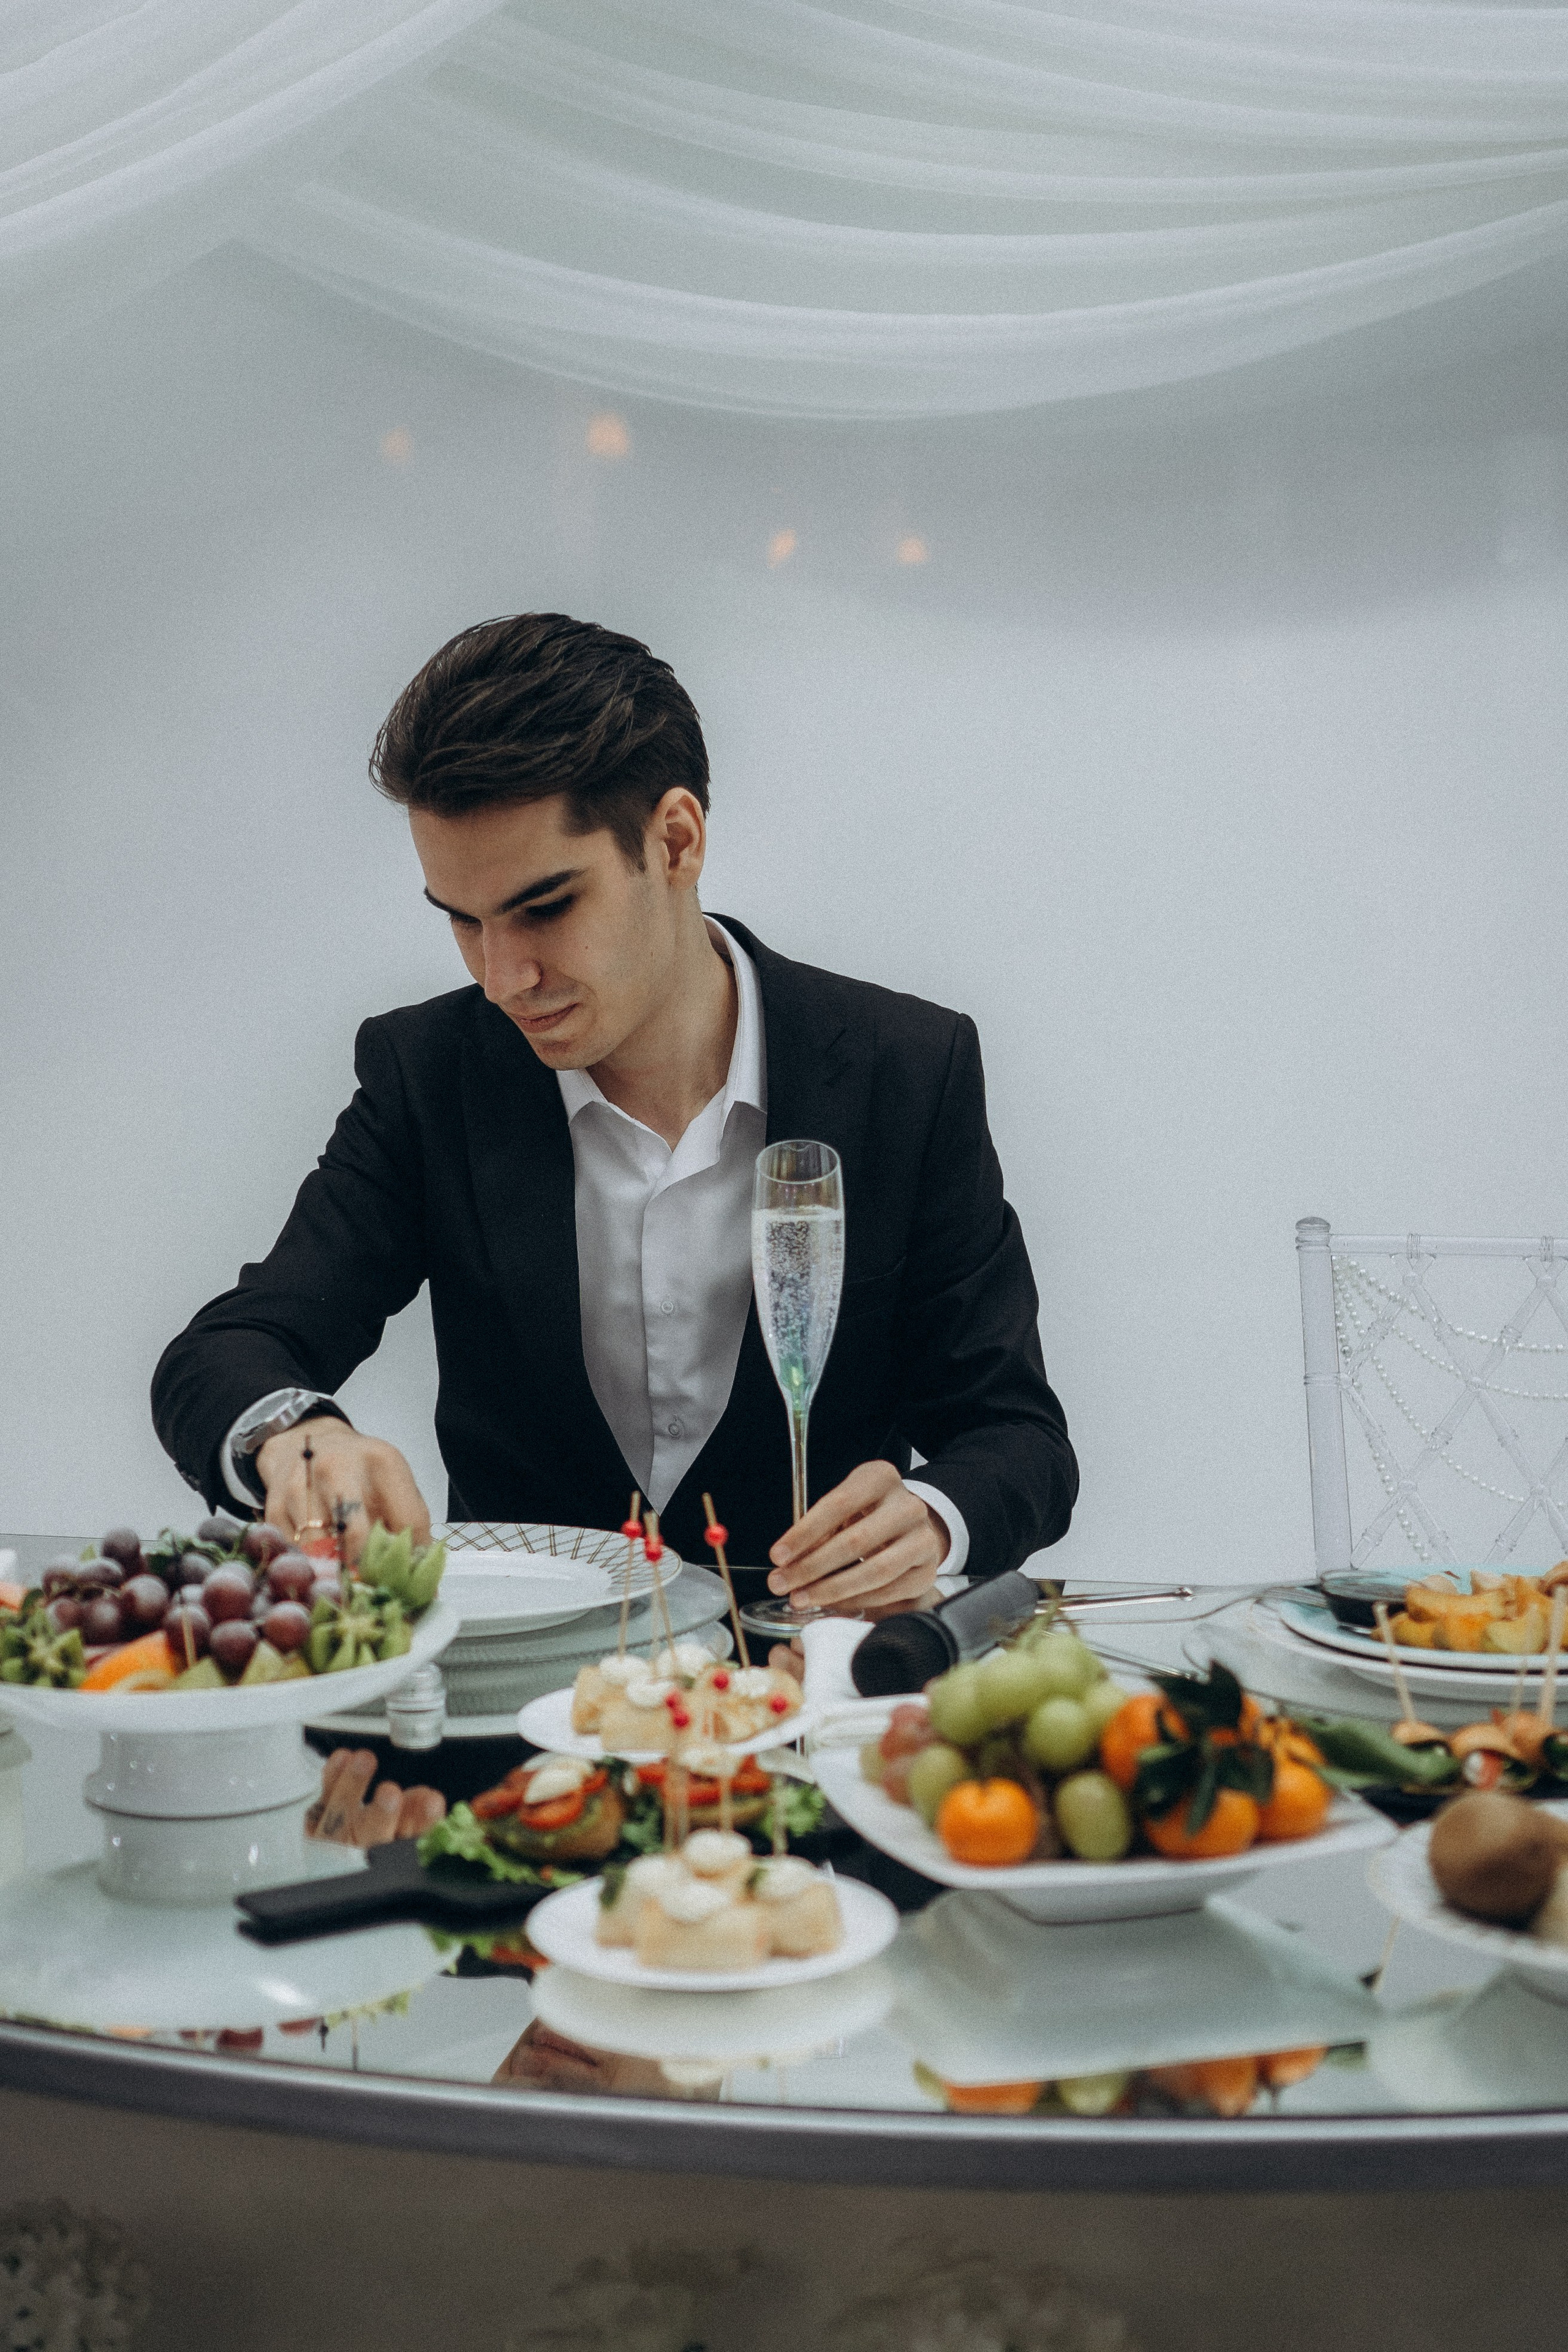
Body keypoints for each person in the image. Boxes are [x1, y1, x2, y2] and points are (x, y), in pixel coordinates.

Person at [152, 614, 1076, 1625]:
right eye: (462, 919)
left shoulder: (908, 1069)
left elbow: (1016, 1435)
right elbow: (229, 1349)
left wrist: (938, 1517)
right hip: (509, 1724)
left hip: (813, 1711)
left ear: (675, 840)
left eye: (544, 907)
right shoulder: (429, 1076)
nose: (503, 978)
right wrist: (296, 1436)